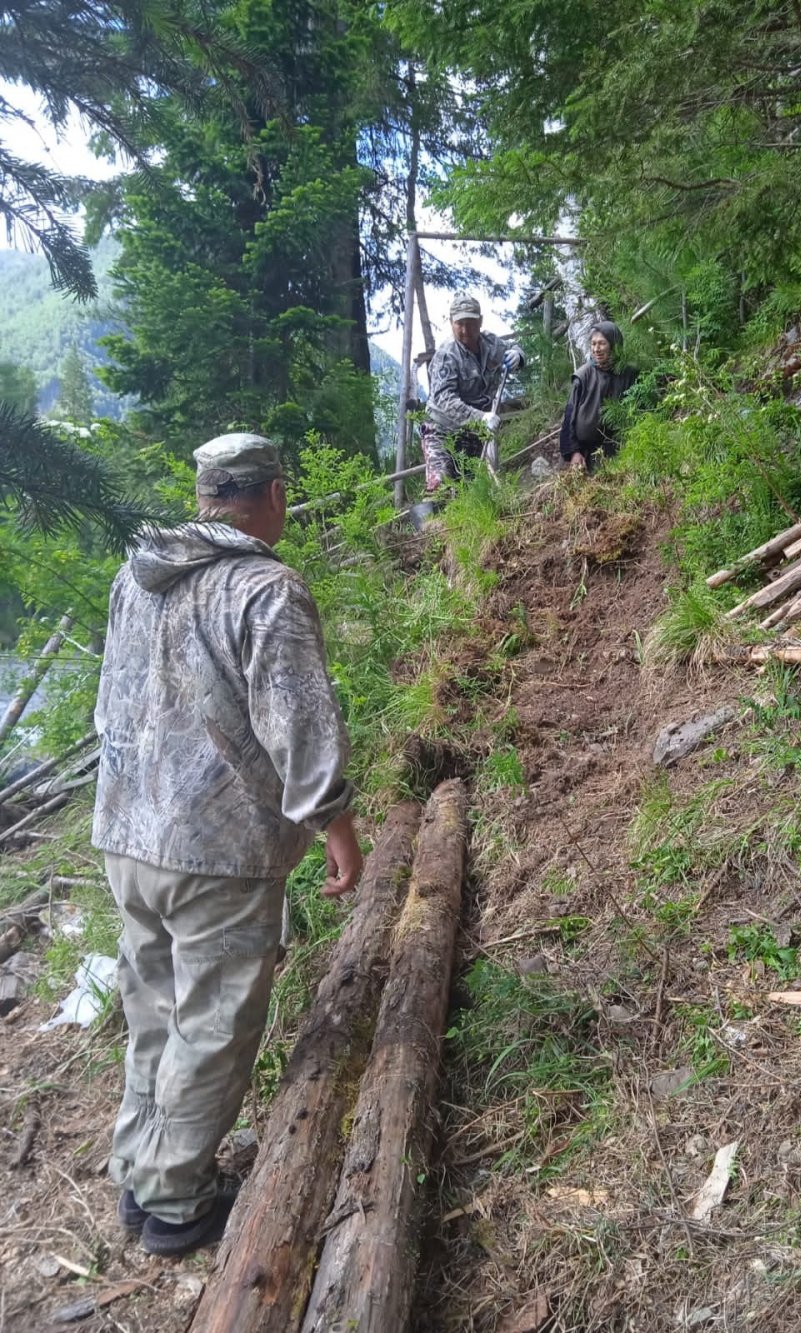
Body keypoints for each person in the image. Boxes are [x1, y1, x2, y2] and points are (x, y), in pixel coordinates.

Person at [91, 433, 363, 1258]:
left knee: (154, 1010)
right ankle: (176, 1203)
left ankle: (138, 1171)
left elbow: (113, 703)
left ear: (208, 493)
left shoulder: (136, 577)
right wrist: (336, 825)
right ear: (274, 495)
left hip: (127, 834)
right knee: (211, 1023)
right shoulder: (265, 588)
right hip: (215, 848)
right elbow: (299, 720)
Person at [421, 293, 525, 492]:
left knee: (475, 487)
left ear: (480, 321)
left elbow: (513, 350)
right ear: (451, 323)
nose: (465, 330)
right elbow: (445, 400)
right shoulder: (446, 356)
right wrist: (480, 418)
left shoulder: (491, 344)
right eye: (459, 324)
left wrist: (518, 356)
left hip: (475, 432)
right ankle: (432, 521)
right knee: (441, 485)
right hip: (441, 430)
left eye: (470, 323)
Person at [560, 320, 638, 471]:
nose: (596, 349)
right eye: (593, 344)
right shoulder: (583, 376)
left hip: (620, 447)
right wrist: (574, 452)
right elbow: (569, 418)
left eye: (602, 343)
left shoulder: (629, 374)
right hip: (586, 453)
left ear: (614, 345)